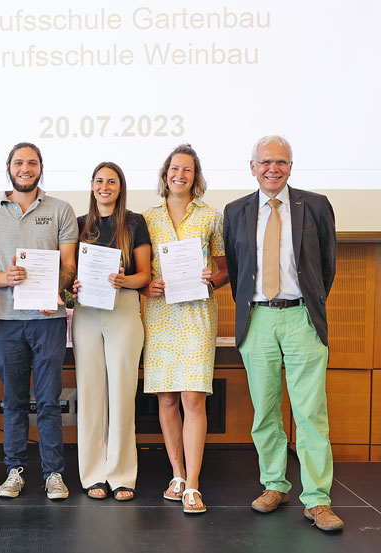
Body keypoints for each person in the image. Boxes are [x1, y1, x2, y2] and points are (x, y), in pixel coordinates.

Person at [223, 136, 342, 531]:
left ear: (291, 166)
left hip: (301, 318)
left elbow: (326, 265)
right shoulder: (235, 210)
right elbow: (238, 269)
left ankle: (317, 499)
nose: (273, 168)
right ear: (252, 166)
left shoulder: (316, 205)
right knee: (265, 411)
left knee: (310, 412)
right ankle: (274, 484)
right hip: (258, 320)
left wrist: (307, 305)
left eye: (281, 162)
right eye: (265, 162)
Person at [0, 142, 78, 500]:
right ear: (8, 167)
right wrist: (6, 278)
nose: (25, 168)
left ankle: (53, 473)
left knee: (50, 400)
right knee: (14, 399)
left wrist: (58, 288)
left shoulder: (61, 210)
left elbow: (68, 266)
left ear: (40, 168)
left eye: (31, 163)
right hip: (7, 322)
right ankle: (15, 470)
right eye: (19, 162)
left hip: (48, 320)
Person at [141, 144, 228, 514]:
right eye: (174, 169)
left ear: (196, 176)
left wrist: (213, 278)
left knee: (193, 398)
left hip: (197, 315)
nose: (180, 175)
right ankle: (176, 475)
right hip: (159, 315)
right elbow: (140, 272)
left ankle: (193, 484)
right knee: (166, 398)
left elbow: (226, 270)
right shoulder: (146, 218)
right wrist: (147, 285)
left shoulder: (212, 217)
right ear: (165, 174)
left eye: (187, 170)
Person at [71, 162, 151, 501]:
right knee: (89, 394)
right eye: (100, 181)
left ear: (121, 186)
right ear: (91, 185)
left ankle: (121, 475)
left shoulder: (134, 222)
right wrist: (71, 285)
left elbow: (144, 275)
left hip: (123, 309)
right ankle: (93, 475)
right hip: (87, 312)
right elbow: (68, 273)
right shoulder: (77, 225)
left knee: (121, 393)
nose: (105, 186)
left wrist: (124, 280)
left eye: (112, 181)